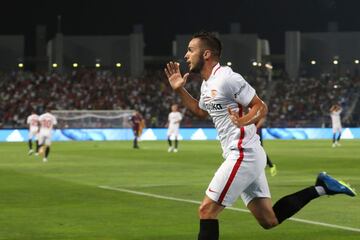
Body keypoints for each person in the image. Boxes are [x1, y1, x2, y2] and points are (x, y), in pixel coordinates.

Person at [164, 31, 356, 240]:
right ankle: (321, 188)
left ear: (207, 54)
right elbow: (201, 111)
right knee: (269, 220)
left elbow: (260, 107)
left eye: (191, 50)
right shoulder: (206, 84)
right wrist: (179, 90)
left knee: (206, 210)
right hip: (245, 154)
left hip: (243, 153)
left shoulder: (228, 78)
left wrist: (243, 121)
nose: (186, 55)